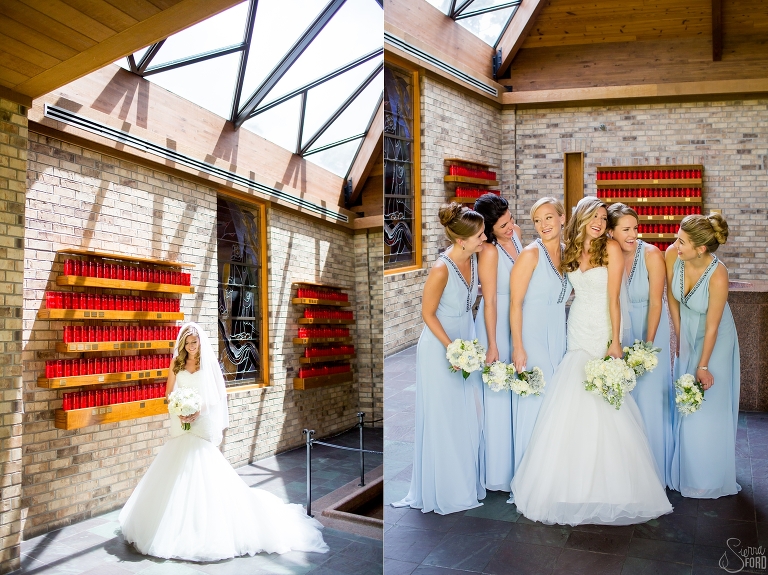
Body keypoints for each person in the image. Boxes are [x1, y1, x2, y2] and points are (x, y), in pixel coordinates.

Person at [510, 196, 672, 525]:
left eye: (603, 217)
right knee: (573, 397)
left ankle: (612, 486)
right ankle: (571, 482)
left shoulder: (610, 248)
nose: (599, 222)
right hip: (577, 327)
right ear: (581, 217)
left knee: (604, 402)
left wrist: (615, 341)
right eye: (594, 216)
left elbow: (613, 299)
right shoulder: (569, 249)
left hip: (602, 329)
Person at [119, 322, 328, 561]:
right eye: (187, 343)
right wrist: (178, 408)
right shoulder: (176, 365)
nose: (191, 346)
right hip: (181, 423)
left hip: (201, 421)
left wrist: (197, 411)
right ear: (183, 344)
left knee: (203, 467)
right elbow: (168, 393)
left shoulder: (209, 365)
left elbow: (218, 394)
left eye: (194, 342)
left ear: (200, 342)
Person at [393, 203, 487, 514]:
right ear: (462, 240)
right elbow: (427, 314)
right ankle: (444, 489)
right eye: (479, 234)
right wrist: (452, 348)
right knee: (444, 417)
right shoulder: (441, 268)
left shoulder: (473, 261)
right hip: (439, 349)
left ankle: (463, 480)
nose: (484, 238)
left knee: (467, 414)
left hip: (465, 346)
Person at [665, 213, 740, 498]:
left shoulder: (718, 274)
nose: (675, 244)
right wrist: (679, 334)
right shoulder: (674, 254)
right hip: (687, 328)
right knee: (683, 400)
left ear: (701, 249)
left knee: (707, 404)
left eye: (682, 241)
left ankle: (707, 476)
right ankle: (684, 469)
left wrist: (703, 365)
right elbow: (671, 296)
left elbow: (713, 326)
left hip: (715, 340)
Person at [607, 203, 673, 487]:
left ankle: (654, 470)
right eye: (626, 229)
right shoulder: (607, 252)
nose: (633, 234)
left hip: (649, 328)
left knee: (648, 397)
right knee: (623, 400)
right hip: (620, 327)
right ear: (611, 232)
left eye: (635, 228)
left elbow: (658, 301)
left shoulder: (652, 255)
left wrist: (648, 344)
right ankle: (625, 470)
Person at [508, 198, 571, 486]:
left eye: (548, 218)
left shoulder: (568, 253)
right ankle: (530, 480)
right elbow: (515, 304)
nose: (543, 225)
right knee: (537, 401)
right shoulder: (530, 255)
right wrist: (518, 346)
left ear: (562, 218)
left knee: (556, 403)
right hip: (532, 335)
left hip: (559, 332)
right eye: (537, 220)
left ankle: (552, 472)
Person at [473, 194, 523, 492]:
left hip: (517, 318)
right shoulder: (489, 252)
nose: (511, 226)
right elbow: (489, 301)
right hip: (495, 322)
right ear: (490, 229)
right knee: (498, 395)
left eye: (511, 219)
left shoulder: (516, 235)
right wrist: (492, 344)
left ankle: (519, 462)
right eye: (503, 224)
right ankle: (498, 471)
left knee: (518, 389)